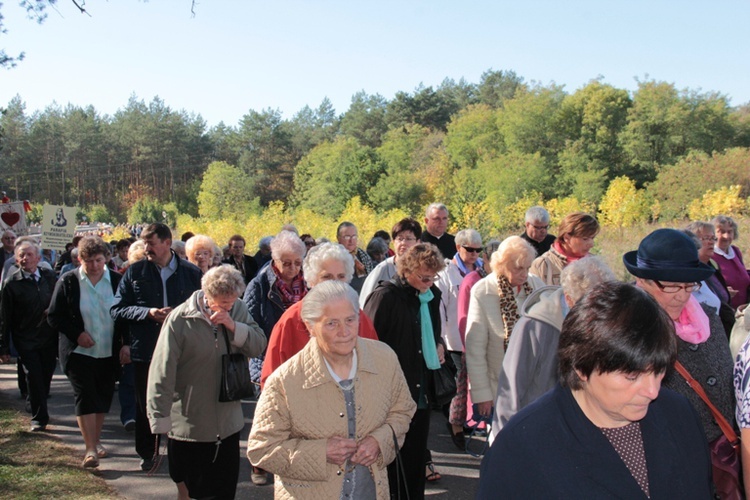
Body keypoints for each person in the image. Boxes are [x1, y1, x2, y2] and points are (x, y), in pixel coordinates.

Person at [478, 281, 712, 499]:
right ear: (581, 366)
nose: (652, 391)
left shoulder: (679, 414)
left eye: (659, 371)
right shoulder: (521, 446)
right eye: (631, 376)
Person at [248, 280, 416, 499]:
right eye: (331, 323)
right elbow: (262, 449)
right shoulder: (284, 381)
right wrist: (321, 452)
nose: (344, 332)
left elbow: (402, 411)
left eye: (350, 320)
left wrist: (379, 441)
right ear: (310, 326)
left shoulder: (385, 359)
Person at [147, 265, 267, 500]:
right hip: (189, 426)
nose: (229, 307)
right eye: (223, 303)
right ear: (207, 295)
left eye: (232, 301)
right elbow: (162, 371)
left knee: (223, 493)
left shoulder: (238, 309)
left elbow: (259, 344)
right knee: (192, 492)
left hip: (229, 424)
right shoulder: (180, 319)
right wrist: (158, 418)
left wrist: (233, 326)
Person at [624, 229, 736, 458]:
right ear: (642, 281)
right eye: (671, 286)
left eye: (689, 286)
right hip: (665, 456)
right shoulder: (625, 329)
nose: (682, 296)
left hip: (721, 454)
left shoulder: (708, 319)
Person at [491, 256, 615, 441]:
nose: (596, 314)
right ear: (569, 299)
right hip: (534, 431)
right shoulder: (534, 326)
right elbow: (510, 389)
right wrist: (505, 441)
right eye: (590, 306)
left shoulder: (599, 322)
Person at [110, 223, 202, 471]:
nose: (145, 248)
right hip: (146, 349)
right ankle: (147, 453)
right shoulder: (134, 272)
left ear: (167, 243)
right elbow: (117, 309)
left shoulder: (191, 273)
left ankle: (180, 450)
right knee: (146, 404)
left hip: (183, 350)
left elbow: (204, 308)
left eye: (151, 243)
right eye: (144, 242)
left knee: (181, 402)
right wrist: (147, 313)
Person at [363, 243, 447, 500]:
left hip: (421, 391)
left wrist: (440, 345)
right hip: (391, 392)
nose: (429, 283)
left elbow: (434, 333)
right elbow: (367, 343)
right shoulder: (385, 297)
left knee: (414, 461)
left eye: (433, 277)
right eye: (424, 277)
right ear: (407, 269)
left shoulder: (431, 296)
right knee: (389, 462)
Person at [47, 235, 127, 468]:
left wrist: (126, 343)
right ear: (80, 259)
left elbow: (125, 315)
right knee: (85, 396)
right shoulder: (69, 281)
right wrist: (76, 334)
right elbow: (54, 316)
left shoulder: (116, 280)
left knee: (102, 396)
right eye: (89, 261)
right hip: (79, 353)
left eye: (99, 260)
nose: (94, 266)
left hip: (108, 351)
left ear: (107, 259)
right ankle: (90, 448)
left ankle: (96, 439)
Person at [259, 242, 378, 390]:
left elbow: (375, 368)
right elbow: (271, 381)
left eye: (341, 276)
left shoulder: (358, 316)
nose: (335, 283)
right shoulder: (292, 320)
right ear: (312, 281)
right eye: (327, 277)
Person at [242, 229, 307, 484]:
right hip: (268, 356)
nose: (292, 268)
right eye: (286, 263)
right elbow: (249, 324)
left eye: (298, 262)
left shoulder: (309, 282)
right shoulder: (259, 284)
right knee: (267, 414)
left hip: (302, 358)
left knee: (298, 417)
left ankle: (290, 464)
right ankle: (258, 462)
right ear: (274, 260)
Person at [465, 236, 544, 421]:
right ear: (502, 265)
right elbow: (475, 348)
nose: (524, 274)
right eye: (518, 268)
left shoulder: (536, 286)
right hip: (500, 385)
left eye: (527, 268)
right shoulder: (483, 290)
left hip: (534, 383)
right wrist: (482, 394)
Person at [0, 241, 58, 431]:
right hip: (25, 338)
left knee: (46, 374)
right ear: (16, 260)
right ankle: (39, 417)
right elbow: (4, 317)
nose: (25, 259)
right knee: (33, 376)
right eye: (21, 256)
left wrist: (53, 309)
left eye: (29, 255)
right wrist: (4, 347)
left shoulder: (50, 277)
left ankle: (38, 399)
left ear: (38, 258)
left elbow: (61, 301)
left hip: (48, 336)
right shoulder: (12, 283)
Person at [436, 228, 483, 447]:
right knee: (458, 384)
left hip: (478, 336)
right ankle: (455, 425)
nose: (474, 254)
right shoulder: (446, 273)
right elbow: (440, 308)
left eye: (478, 250)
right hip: (454, 339)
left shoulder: (483, 270)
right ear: (458, 247)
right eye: (469, 249)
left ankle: (468, 421)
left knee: (474, 382)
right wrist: (442, 339)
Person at [359, 218, 422, 307]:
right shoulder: (382, 269)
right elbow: (364, 303)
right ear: (393, 242)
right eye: (400, 239)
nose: (403, 243)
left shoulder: (423, 270)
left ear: (418, 242)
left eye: (408, 239)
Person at [530, 212, 599, 285]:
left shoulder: (596, 264)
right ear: (566, 238)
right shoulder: (542, 265)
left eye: (592, 238)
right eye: (585, 239)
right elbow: (533, 295)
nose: (591, 244)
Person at [712, 215, 750, 309]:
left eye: (729, 232)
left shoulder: (735, 251)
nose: (726, 236)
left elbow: (743, 276)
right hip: (725, 313)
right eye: (721, 232)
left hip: (743, 310)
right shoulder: (710, 256)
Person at [336, 222, 373, 294]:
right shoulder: (334, 255)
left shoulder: (364, 256)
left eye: (354, 236)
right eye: (347, 237)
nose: (351, 240)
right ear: (338, 238)